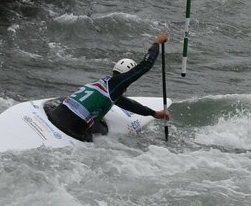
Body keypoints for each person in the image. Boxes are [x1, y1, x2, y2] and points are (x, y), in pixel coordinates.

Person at [44, 32, 172, 141]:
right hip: (72, 128)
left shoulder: (103, 83)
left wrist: (153, 113)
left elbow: (124, 103)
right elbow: (145, 65)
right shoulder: (118, 84)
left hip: (56, 113)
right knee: (100, 130)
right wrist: (157, 42)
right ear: (127, 76)